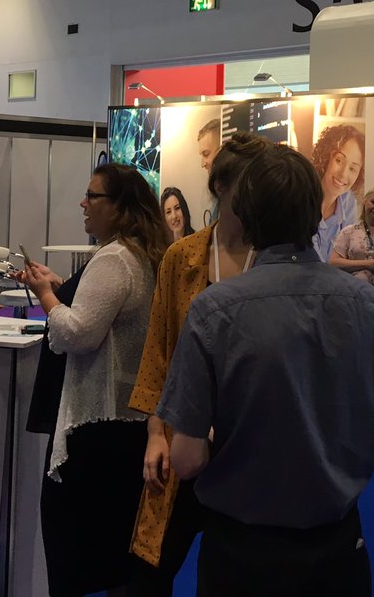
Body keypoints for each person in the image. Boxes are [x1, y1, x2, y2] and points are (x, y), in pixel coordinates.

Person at [156, 145, 374, 597]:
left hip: (240, 557)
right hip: (338, 551)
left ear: (246, 215)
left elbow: (187, 460)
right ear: (315, 214)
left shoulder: (213, 311)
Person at [129, 133, 271, 595]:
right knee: (151, 567)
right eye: (244, 184)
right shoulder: (182, 257)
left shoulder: (275, 260)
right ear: (220, 186)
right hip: (181, 435)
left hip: (251, 444)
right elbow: (159, 350)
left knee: (240, 573)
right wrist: (155, 433)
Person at [18, 163, 166, 597]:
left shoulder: (115, 257)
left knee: (75, 551)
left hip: (95, 427)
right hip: (125, 421)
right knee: (116, 554)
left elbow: (78, 333)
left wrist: (46, 296)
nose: (83, 203)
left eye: (93, 196)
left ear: (119, 206)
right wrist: (63, 286)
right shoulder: (141, 252)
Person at [309, 123, 365, 261]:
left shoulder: (348, 202)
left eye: (352, 169)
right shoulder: (302, 197)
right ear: (326, 158)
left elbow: (348, 255)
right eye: (339, 161)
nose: (343, 174)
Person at [329, 186, 374, 283]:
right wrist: (366, 264)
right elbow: (333, 263)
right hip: (355, 288)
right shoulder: (349, 231)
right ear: (364, 202)